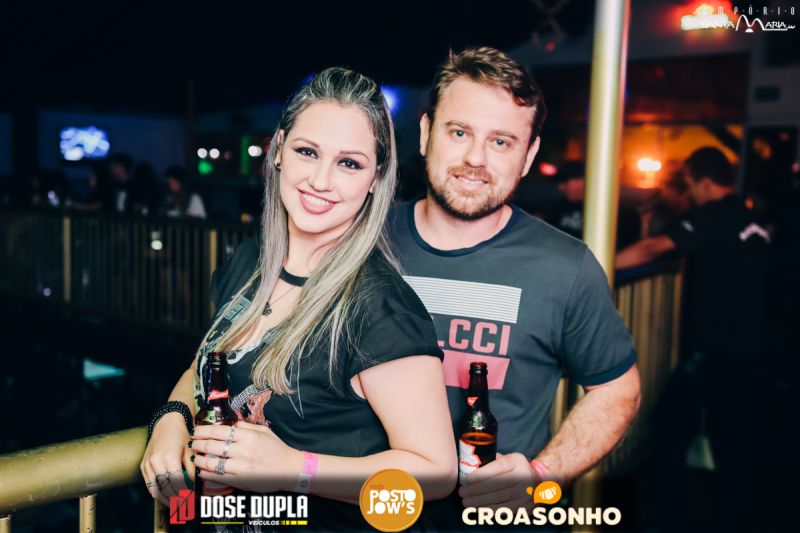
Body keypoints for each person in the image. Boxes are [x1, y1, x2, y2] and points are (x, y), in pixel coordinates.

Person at [140, 67, 456, 530]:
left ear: (376, 178)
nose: (321, 180)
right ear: (279, 150)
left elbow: (436, 472)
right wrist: (171, 418)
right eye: (308, 152)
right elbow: (209, 365)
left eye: (349, 163)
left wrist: (295, 468)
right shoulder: (250, 261)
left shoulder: (379, 308)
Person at [386, 47, 641, 525]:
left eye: (501, 142)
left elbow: (616, 390)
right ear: (425, 133)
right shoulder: (361, 244)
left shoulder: (565, 267)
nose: (475, 159)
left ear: (528, 156)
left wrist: (543, 474)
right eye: (459, 132)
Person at [616, 147, 770, 533]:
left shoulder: (714, 215)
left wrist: (595, 265)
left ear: (702, 181)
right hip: (749, 349)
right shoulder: (752, 217)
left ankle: (672, 519)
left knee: (668, 429)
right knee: (732, 442)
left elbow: (655, 248)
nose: (688, 191)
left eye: (688, 182)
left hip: (716, 352)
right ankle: (725, 520)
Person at [545, 160, 642, 249]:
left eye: (565, 182)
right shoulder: (557, 207)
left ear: (581, 181)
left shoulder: (618, 212)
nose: (561, 187)